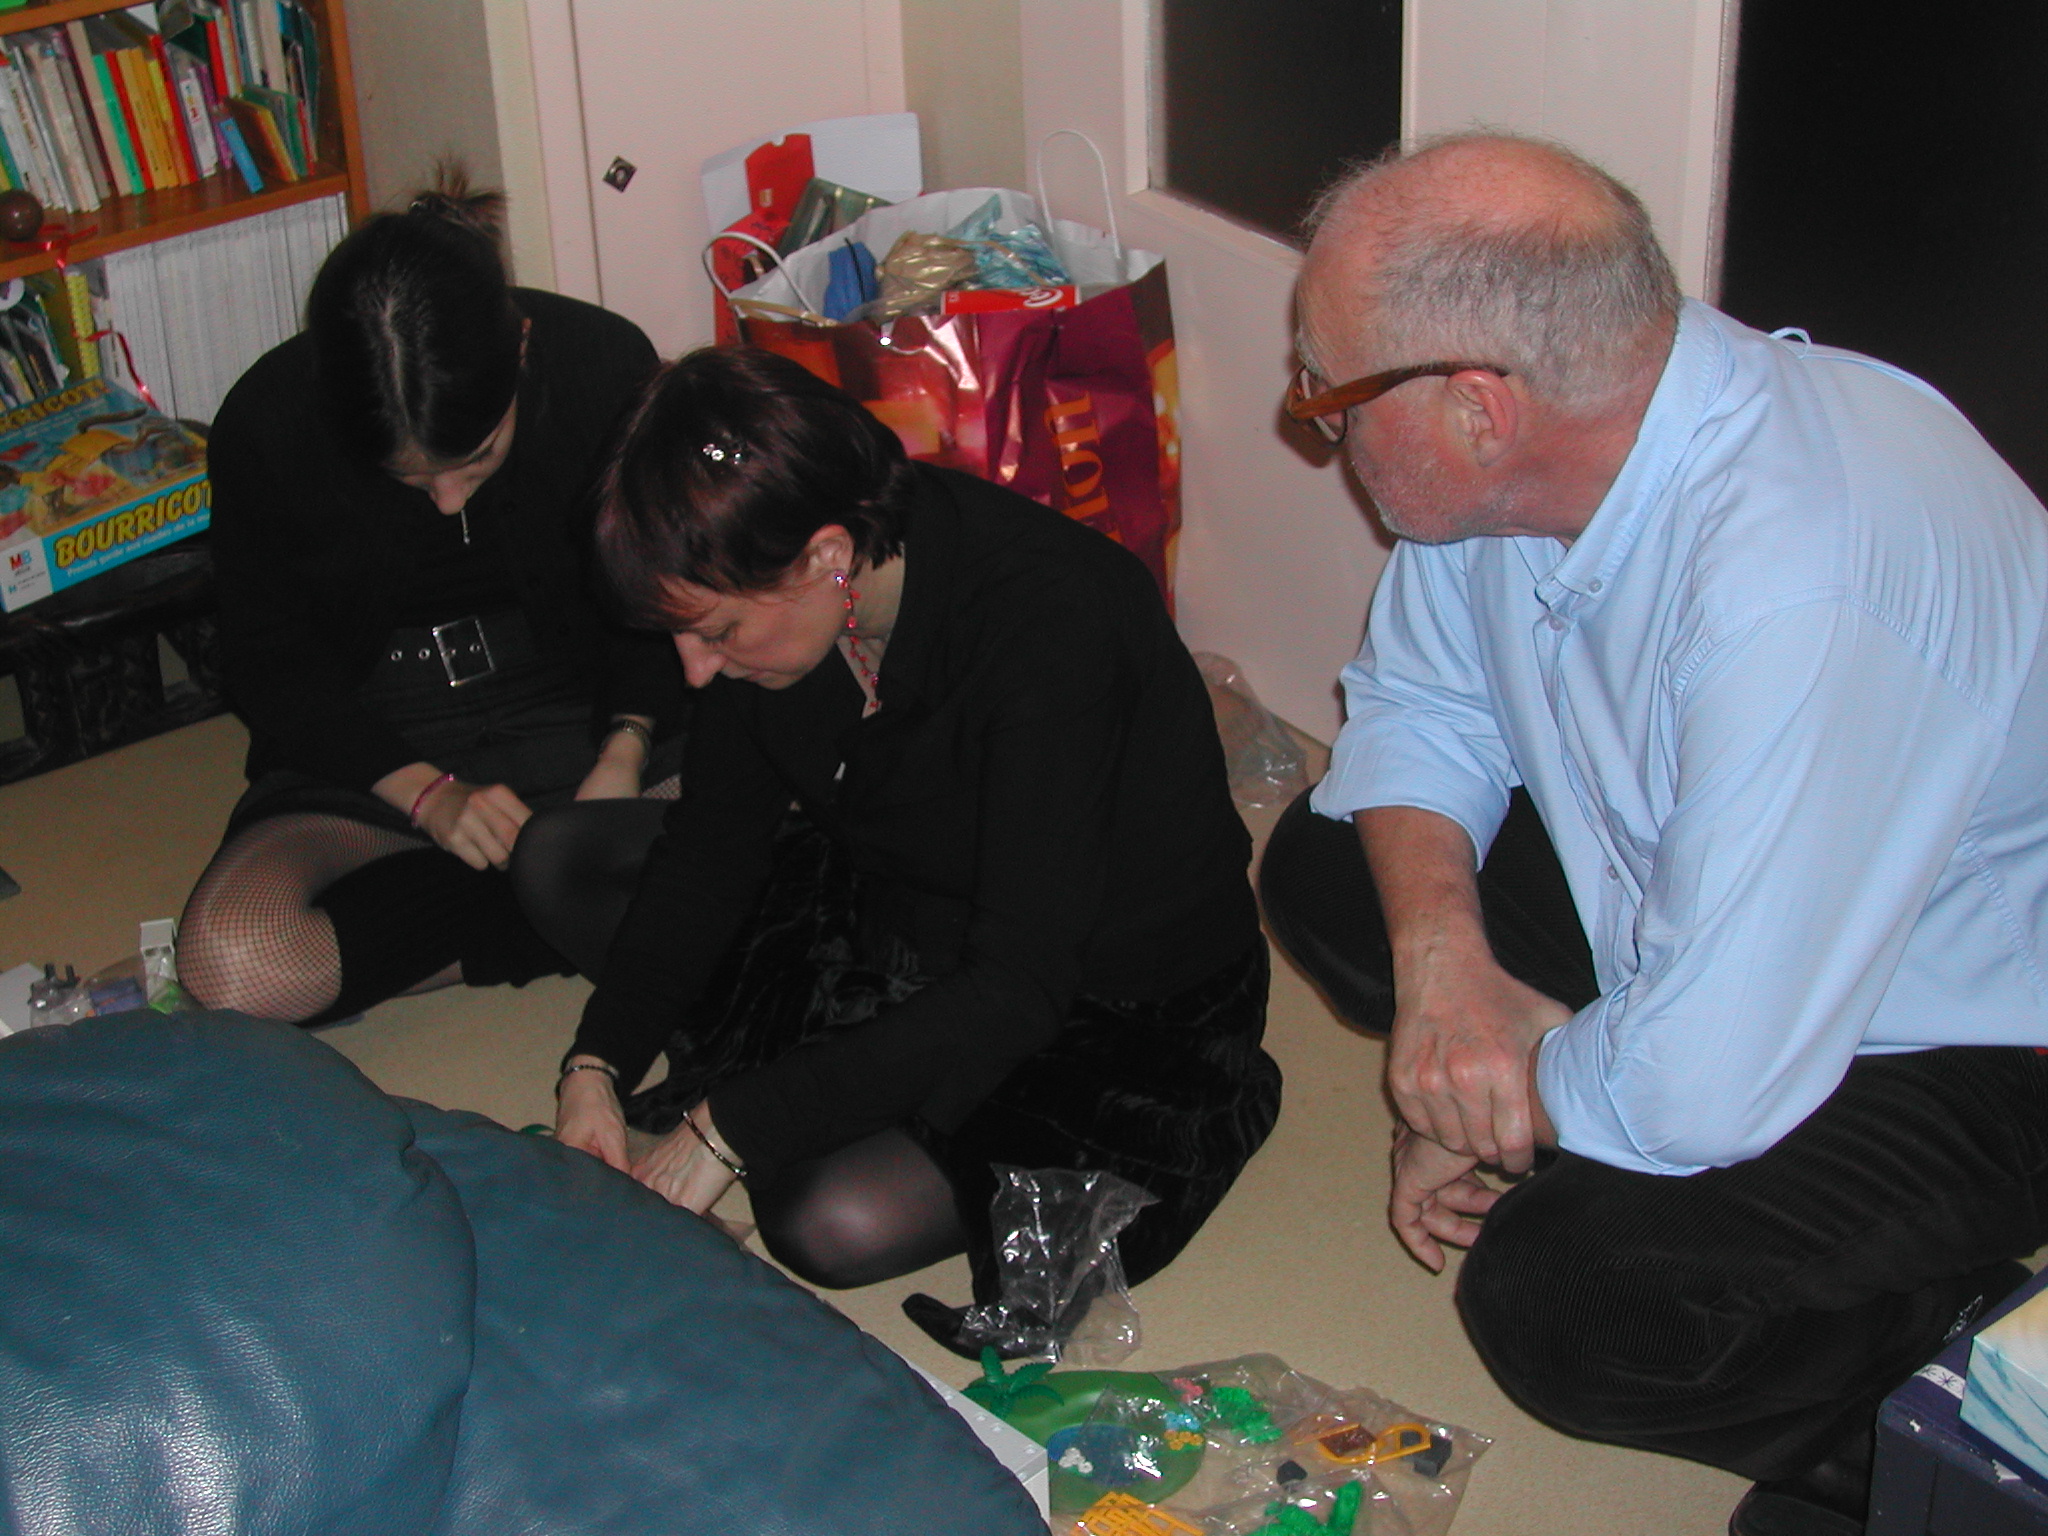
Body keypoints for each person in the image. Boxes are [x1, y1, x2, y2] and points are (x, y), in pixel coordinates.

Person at [1258, 132, 2048, 1536]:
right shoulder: (1548, 447)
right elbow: (1418, 704)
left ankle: (1954, 1415)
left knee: (1567, 1300)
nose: (1308, 416)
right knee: (1330, 867)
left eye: (1327, 391)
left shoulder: (1803, 586)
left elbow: (1700, 1092)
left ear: (1479, 408)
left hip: (1966, 1023)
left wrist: (1490, 1096)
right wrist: (1445, 982)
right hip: (1698, 894)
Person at [523, 345, 1279, 1305]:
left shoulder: (1053, 622)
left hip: (1104, 991)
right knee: (560, 858)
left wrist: (728, 1127)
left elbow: (1017, 986)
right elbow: (710, 850)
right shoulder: (777, 585)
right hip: (899, 905)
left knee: (827, 1218)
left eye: (714, 632)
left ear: (827, 557)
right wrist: (594, 1065)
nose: (694, 671)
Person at [179, 177, 679, 1026]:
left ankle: (524, 891)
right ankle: (572, 897)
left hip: (583, 704)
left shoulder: (603, 363)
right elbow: (270, 664)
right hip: (381, 737)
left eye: (476, 458)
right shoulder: (268, 418)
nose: (448, 501)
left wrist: (626, 747)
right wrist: (428, 795)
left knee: (806, 813)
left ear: (522, 349)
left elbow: (659, 590)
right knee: (235, 964)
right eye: (409, 478)